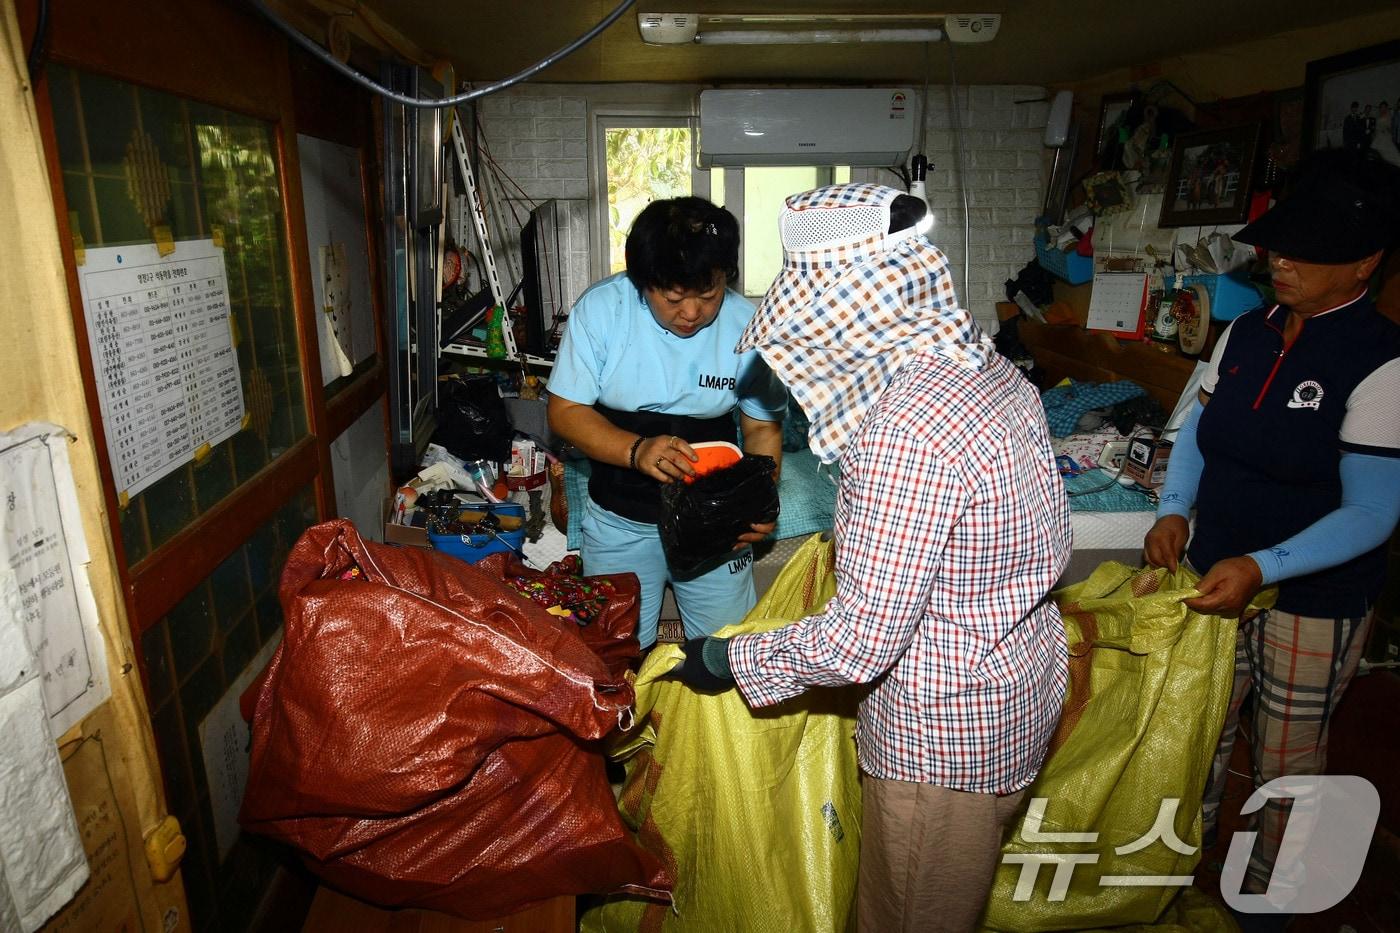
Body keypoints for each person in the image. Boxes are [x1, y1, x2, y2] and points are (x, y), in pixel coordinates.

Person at [672, 183, 1072, 932]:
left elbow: (861, 642)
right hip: (1014, 686)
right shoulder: (985, 369)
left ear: (843, 310)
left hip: (943, 736)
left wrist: (732, 659)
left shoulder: (904, 431)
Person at [1143, 147, 1400, 912]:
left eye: (1304, 250)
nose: (1279, 259)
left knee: (1288, 756)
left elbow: (1375, 510)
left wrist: (1265, 564)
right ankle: (1179, 877)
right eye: (1279, 244)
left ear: (1365, 263)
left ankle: (1269, 900)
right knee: (1198, 734)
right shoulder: (1246, 332)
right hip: (1216, 569)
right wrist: (1173, 510)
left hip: (1311, 597)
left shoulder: (1380, 361)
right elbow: (1196, 431)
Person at [547, 196, 787, 649]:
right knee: (616, 655)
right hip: (620, 519)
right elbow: (564, 412)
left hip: (714, 526)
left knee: (725, 653)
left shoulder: (747, 325)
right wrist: (636, 451)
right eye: (673, 297)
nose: (692, 312)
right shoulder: (602, 311)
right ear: (643, 283)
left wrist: (758, 500)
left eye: (709, 294)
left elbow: (761, 426)